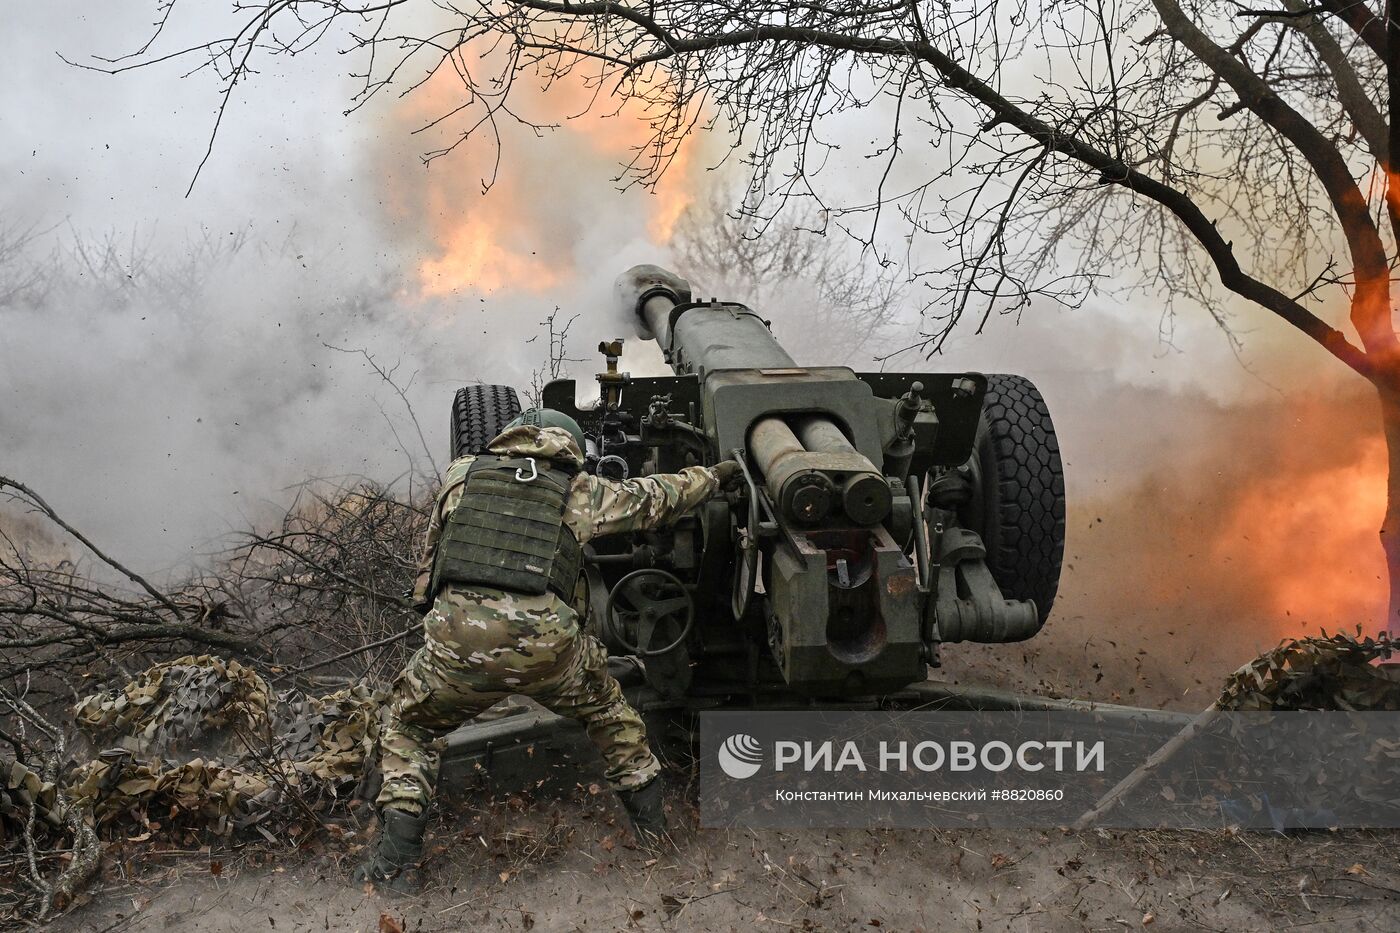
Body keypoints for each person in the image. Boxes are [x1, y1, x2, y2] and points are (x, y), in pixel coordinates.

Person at [354, 408, 740, 892]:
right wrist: (716, 474)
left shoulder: (460, 476)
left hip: (456, 646)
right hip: (549, 652)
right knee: (612, 719)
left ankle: (395, 868)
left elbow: (429, 571)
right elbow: (656, 499)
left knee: (409, 728)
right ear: (570, 446)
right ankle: (658, 846)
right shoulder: (578, 491)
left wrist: (446, 635)